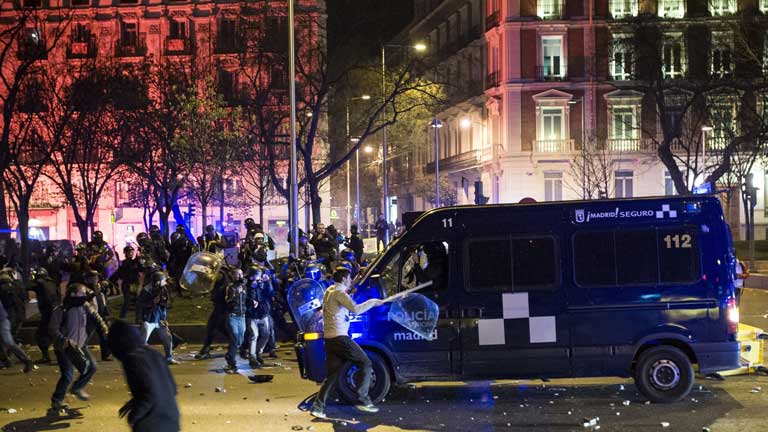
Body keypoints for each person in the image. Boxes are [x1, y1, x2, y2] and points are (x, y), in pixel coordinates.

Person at [310, 267, 392, 418]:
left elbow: (347, 290)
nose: (350, 280)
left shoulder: (330, 291)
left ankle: (318, 407)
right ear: (343, 279)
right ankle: (364, 399)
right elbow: (355, 309)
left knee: (333, 375)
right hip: (340, 338)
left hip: (329, 339)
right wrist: (373, 302)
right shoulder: (340, 294)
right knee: (365, 363)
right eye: (349, 278)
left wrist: (357, 278)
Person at [108, 320, 180, 432]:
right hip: (172, 419)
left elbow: (149, 394)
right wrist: (134, 402)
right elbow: (172, 388)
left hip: (152, 424)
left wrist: (134, 416)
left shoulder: (132, 359)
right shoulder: (153, 352)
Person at [49, 283, 99, 410]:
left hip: (80, 345)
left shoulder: (84, 307)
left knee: (92, 367)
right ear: (73, 294)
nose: (84, 295)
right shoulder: (61, 310)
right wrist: (63, 339)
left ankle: (77, 388)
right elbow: (53, 328)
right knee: (67, 375)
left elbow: (95, 317)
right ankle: (57, 400)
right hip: (65, 347)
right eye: (82, 293)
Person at [137, 272, 179, 365]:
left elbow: (164, 304)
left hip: (159, 318)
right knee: (143, 340)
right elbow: (140, 304)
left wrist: (164, 318)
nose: (165, 282)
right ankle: (140, 360)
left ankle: (169, 357)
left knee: (167, 337)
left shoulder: (163, 289)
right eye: (163, 280)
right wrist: (152, 302)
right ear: (158, 281)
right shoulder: (146, 290)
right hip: (149, 318)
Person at [195, 266, 232, 360]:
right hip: (218, 308)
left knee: (217, 327)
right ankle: (206, 349)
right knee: (213, 327)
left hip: (224, 309)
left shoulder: (225, 284)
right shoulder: (218, 283)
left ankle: (236, 343)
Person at [27, 267, 61, 364]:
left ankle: (49, 356)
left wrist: (31, 278)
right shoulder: (52, 283)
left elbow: (27, 286)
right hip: (56, 311)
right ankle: (57, 356)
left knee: (41, 335)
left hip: (48, 313)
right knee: (53, 335)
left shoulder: (40, 283)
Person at [245, 266, 273, 368]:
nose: (258, 278)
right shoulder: (246, 285)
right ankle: (252, 357)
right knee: (254, 335)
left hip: (263, 312)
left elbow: (270, 293)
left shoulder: (262, 284)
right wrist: (251, 296)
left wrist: (268, 282)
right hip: (251, 314)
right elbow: (245, 297)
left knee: (266, 333)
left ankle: (259, 351)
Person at [0, 295, 36, 372]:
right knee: (4, 342)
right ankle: (6, 360)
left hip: (2, 321)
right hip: (3, 320)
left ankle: (27, 360)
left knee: (8, 342)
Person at [224, 268, 248, 373]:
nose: (240, 276)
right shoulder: (230, 287)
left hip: (242, 316)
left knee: (240, 340)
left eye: (241, 274)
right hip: (233, 316)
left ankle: (229, 356)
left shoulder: (243, 286)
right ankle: (232, 364)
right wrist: (235, 294)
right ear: (233, 276)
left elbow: (246, 299)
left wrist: (253, 302)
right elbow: (226, 300)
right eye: (238, 274)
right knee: (234, 337)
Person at [110, 245, 143, 321]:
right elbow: (119, 273)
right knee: (127, 302)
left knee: (138, 302)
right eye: (129, 252)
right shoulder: (123, 263)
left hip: (135, 284)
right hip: (127, 285)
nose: (131, 253)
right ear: (125, 253)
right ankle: (122, 318)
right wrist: (113, 280)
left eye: (132, 252)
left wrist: (140, 257)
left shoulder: (136, 261)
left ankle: (138, 319)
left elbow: (141, 269)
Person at [168, 226, 194, 296]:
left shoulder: (178, 238)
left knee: (179, 275)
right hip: (183, 260)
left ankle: (181, 290)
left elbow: (172, 248)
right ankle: (183, 290)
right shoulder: (185, 239)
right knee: (182, 275)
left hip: (179, 260)